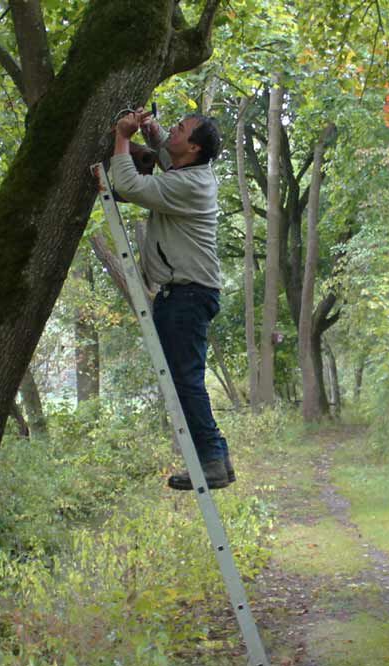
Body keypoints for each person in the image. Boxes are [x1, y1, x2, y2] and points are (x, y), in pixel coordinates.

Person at [107, 107, 234, 490]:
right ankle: (217, 460)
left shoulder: (190, 184)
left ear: (193, 147)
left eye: (180, 129)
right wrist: (149, 128)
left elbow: (128, 185)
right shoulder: (188, 172)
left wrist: (122, 136)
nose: (172, 130)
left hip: (187, 294)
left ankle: (212, 460)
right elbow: (165, 153)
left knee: (185, 381)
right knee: (185, 380)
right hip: (188, 293)